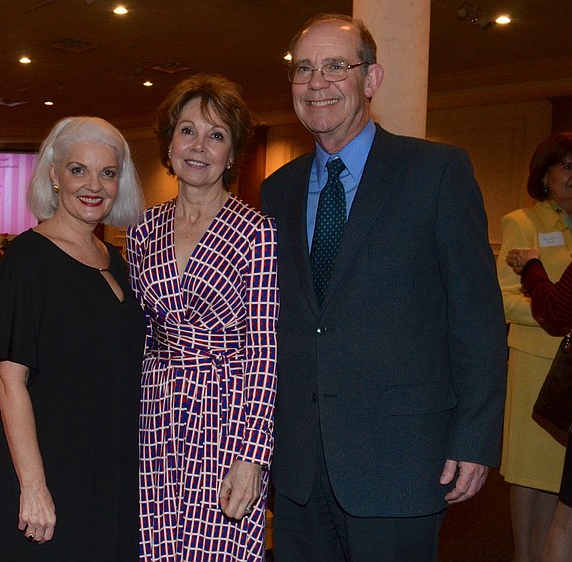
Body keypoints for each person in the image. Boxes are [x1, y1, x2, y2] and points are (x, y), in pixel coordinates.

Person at [260, 13, 507, 561]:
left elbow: (478, 317)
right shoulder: (277, 190)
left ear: (371, 80)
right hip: (300, 465)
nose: (316, 82)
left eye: (335, 67)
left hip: (401, 459)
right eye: (303, 69)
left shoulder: (436, 172)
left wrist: (475, 437)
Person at [127, 74, 279, 561]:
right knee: (151, 547)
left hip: (224, 416)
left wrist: (252, 457)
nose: (199, 146)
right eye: (187, 130)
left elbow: (263, 352)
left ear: (232, 153)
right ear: (169, 144)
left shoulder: (256, 232)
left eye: (216, 135)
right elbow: (138, 333)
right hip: (151, 412)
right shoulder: (141, 231)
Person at [0, 116, 145, 560]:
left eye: (108, 173)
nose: (94, 185)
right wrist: (34, 487)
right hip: (50, 468)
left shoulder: (115, 259)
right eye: (79, 169)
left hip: (107, 467)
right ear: (54, 175)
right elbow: (7, 381)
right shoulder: (25, 262)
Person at [497, 132, 572, 562]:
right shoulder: (522, 223)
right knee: (529, 474)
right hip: (535, 364)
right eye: (566, 166)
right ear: (544, 175)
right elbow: (505, 297)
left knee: (561, 479)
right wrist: (553, 312)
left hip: (570, 370)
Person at [507, 245, 572, 562]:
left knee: (566, 523)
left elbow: (557, 310)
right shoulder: (519, 222)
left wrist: (532, 266)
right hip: (534, 368)